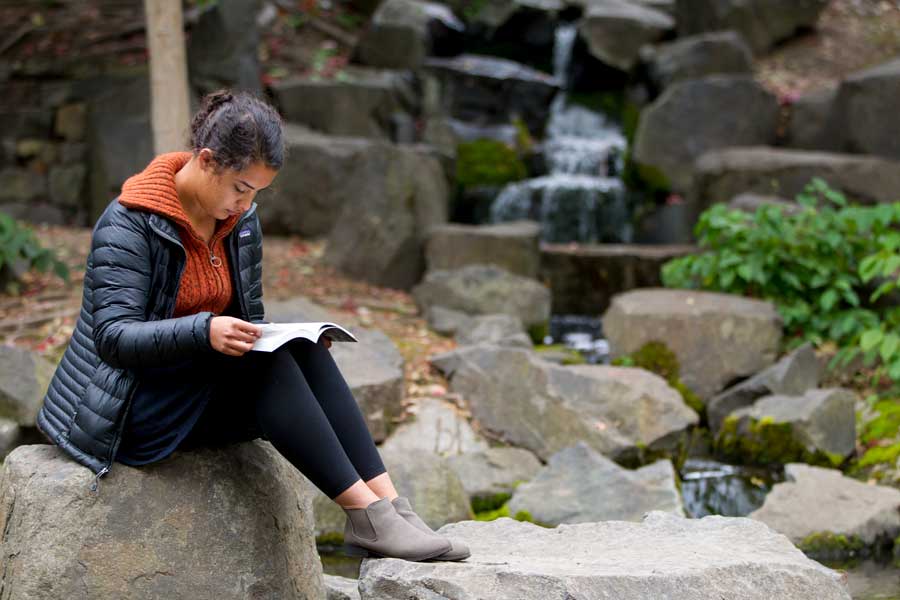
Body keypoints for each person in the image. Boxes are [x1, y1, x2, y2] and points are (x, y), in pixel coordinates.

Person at [35, 89, 469, 563]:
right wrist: (205, 331)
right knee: (261, 368)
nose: (245, 204)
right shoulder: (128, 224)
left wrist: (272, 337)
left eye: (256, 194)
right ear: (206, 161)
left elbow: (250, 319)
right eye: (240, 189)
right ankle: (364, 516)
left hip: (193, 387)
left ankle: (390, 506)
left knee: (298, 352)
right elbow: (114, 339)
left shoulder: (239, 222)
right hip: (130, 408)